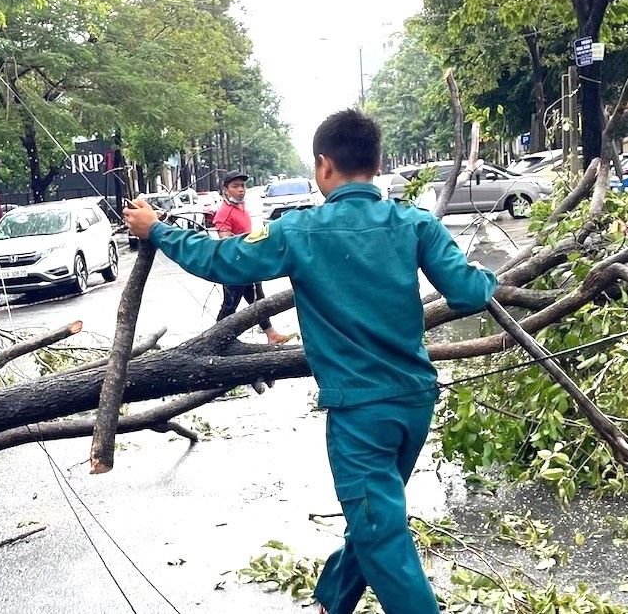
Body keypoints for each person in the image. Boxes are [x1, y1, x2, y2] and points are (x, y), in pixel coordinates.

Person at [123, 109, 498, 614]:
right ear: (377, 162)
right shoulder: (415, 223)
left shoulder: (298, 230)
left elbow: (219, 260)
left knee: (380, 535)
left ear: (324, 166)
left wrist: (157, 230)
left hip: (361, 414)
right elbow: (469, 291)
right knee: (374, 518)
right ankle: (332, 604)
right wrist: (486, 277)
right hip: (414, 404)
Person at [213, 170, 292, 345]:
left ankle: (271, 334)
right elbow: (224, 240)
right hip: (235, 267)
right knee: (230, 305)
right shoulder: (224, 212)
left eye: (242, 186)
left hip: (249, 264)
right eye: (235, 186)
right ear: (225, 190)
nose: (241, 190)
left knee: (258, 300)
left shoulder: (239, 206)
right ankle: (215, 341)